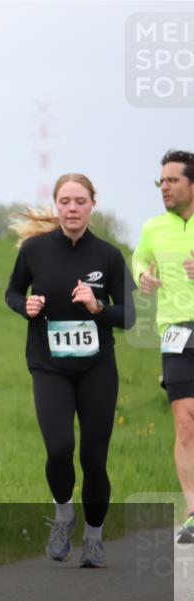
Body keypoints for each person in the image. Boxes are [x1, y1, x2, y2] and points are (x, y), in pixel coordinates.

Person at [6, 173, 136, 567]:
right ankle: (63, 514)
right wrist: (25, 306)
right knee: (60, 448)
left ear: (93, 204)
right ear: (56, 205)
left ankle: (94, 537)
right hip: (49, 367)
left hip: (97, 369)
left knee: (94, 459)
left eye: (80, 201)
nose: (73, 208)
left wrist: (98, 307)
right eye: (65, 201)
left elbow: (131, 315)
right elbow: (13, 291)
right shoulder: (34, 250)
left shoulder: (109, 256)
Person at [132, 149, 194, 544]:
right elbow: (139, 257)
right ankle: (193, 512)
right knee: (185, 421)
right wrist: (142, 276)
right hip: (177, 333)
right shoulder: (153, 228)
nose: (164, 187)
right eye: (161, 181)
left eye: (172, 180)